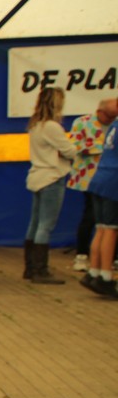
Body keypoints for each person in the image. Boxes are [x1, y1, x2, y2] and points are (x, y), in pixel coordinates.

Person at [21, 87, 77, 284]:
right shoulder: (53, 126)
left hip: (37, 176)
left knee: (35, 222)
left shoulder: (35, 125)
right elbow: (70, 151)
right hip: (52, 177)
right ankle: (40, 270)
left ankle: (30, 267)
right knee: (46, 225)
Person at [68, 98, 117, 271]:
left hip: (109, 179)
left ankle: (109, 260)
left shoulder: (115, 124)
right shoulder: (82, 122)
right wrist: (101, 147)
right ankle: (82, 256)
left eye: (114, 117)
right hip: (89, 178)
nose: (111, 119)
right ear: (100, 112)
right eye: (109, 116)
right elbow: (73, 146)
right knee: (92, 218)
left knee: (108, 224)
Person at [80, 99, 118, 299]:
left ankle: (93, 272)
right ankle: (105, 278)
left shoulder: (114, 125)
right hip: (113, 181)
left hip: (99, 178)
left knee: (101, 228)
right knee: (111, 230)